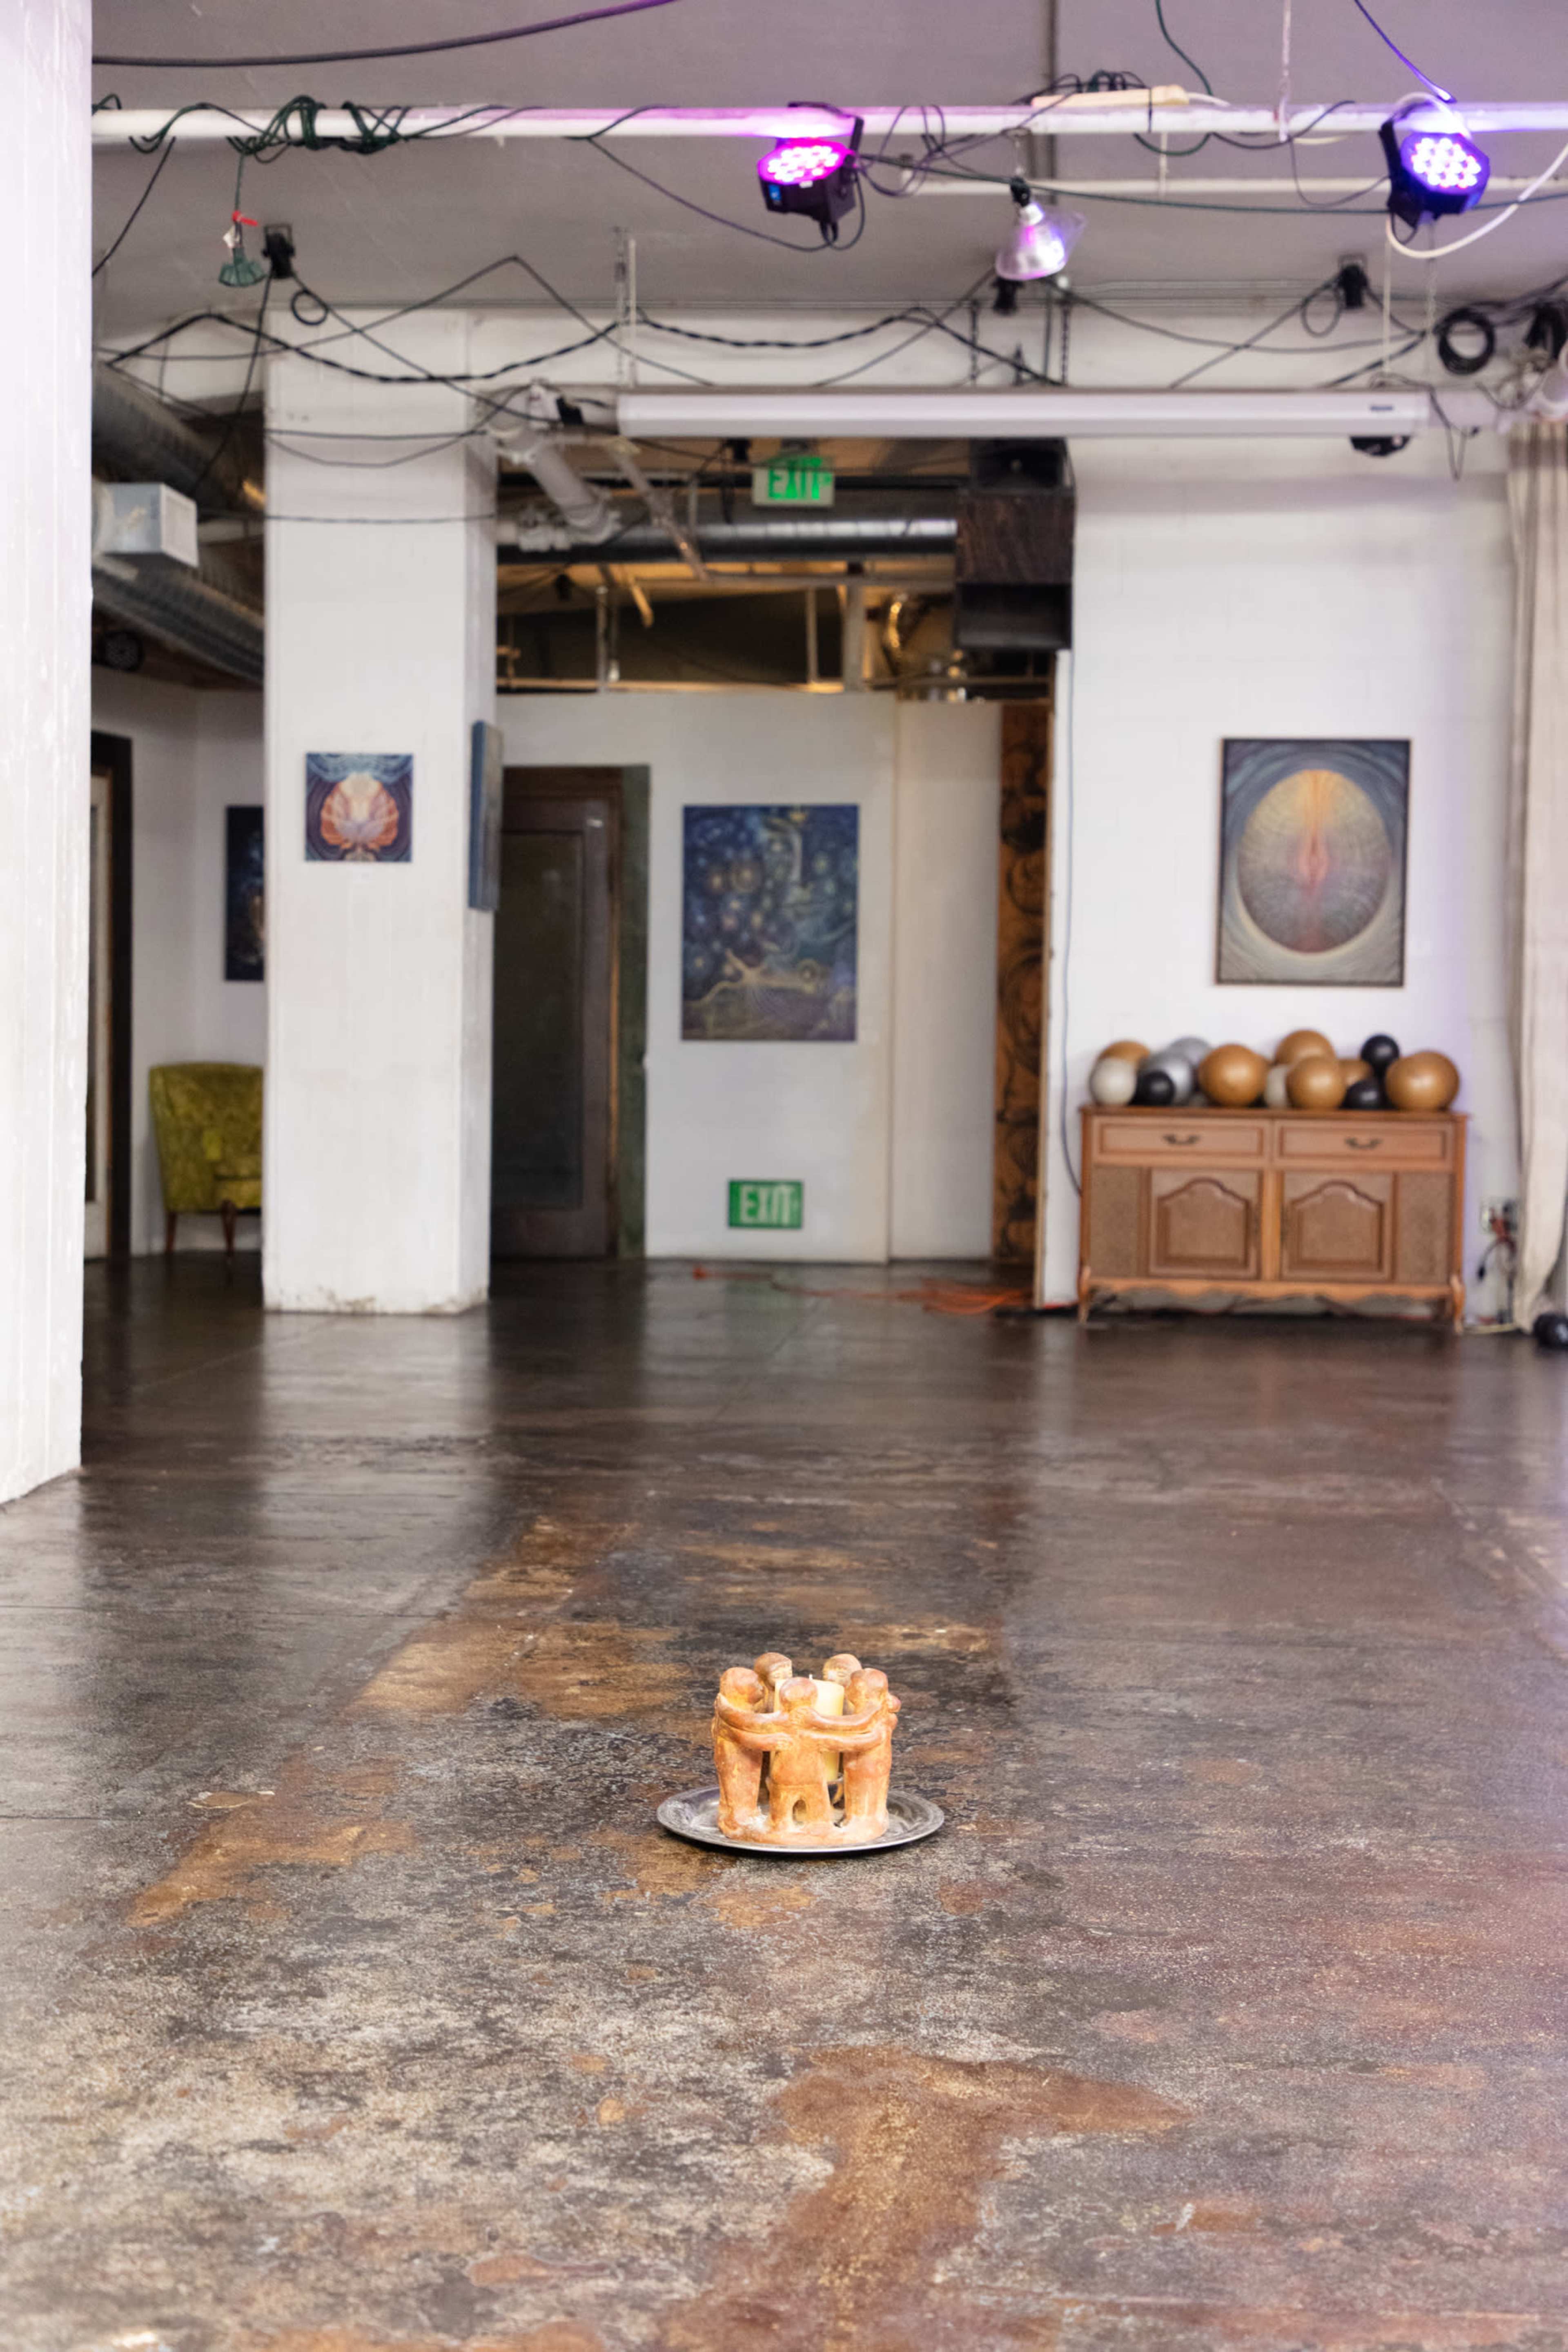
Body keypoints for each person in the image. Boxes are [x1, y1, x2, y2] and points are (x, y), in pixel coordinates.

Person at [839, 1667, 900, 1840]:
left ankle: (866, 1820)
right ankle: (855, 1817)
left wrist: (828, 1739)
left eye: (852, 1686)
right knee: (855, 1790)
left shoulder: (874, 1714)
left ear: (863, 1692)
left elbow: (865, 1736)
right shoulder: (872, 1711)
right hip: (858, 1765)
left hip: (870, 1765)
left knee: (866, 1793)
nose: (847, 1689)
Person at [711, 1666, 770, 1835]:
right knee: (739, 1790)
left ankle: (735, 1813)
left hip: (747, 1761)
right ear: (741, 1689)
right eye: (756, 1684)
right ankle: (737, 1821)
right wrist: (774, 1741)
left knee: (746, 1790)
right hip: (737, 1762)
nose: (762, 1688)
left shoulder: (736, 1711)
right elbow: (747, 1737)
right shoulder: (731, 1715)